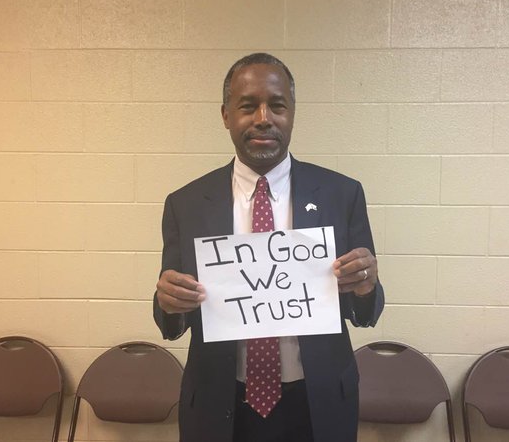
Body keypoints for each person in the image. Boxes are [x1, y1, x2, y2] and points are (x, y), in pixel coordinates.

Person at [153, 53, 384, 442]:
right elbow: (171, 321)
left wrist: (364, 287)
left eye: (277, 105)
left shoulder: (342, 194)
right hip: (220, 404)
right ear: (226, 115)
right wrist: (168, 303)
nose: (263, 117)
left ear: (292, 113)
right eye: (248, 106)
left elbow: (364, 311)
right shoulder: (186, 203)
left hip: (317, 403)